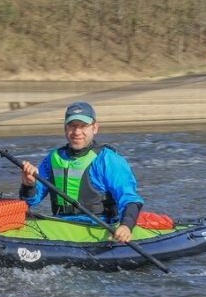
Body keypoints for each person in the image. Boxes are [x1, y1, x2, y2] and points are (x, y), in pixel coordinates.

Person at [19, 101, 143, 242]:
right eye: (72, 126)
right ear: (65, 128)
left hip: (98, 226)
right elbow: (31, 201)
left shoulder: (108, 159)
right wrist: (29, 185)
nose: (77, 132)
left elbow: (130, 198)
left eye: (83, 126)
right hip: (62, 225)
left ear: (95, 128)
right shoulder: (53, 158)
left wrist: (126, 226)